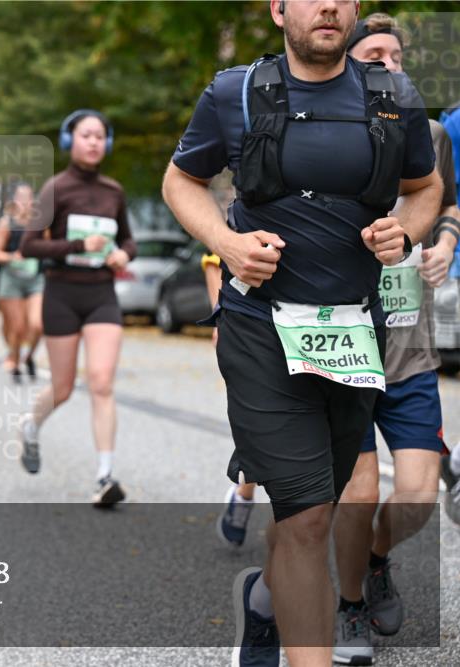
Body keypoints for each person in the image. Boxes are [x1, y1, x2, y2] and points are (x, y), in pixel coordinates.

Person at [161, 1, 442, 665]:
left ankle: (263, 602)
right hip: (260, 328)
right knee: (309, 514)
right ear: (278, 9)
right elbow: (180, 180)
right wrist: (227, 243)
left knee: (311, 515)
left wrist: (406, 231)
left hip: (354, 333)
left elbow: (424, 187)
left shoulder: (393, 97)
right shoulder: (234, 92)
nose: (329, 6)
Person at [330, 14, 460, 664]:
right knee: (358, 494)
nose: (389, 63)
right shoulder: (322, 132)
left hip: (410, 348)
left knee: (415, 494)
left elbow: (449, 203)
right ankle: (349, 603)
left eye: (397, 54)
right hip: (343, 348)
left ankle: (377, 558)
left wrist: (446, 242)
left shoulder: (429, 134)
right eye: (373, 54)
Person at [18, 109, 136, 508]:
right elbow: (29, 245)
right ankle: (31, 424)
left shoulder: (113, 191)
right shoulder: (55, 188)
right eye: (86, 135)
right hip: (62, 294)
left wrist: (123, 254)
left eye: (100, 136)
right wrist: (76, 246)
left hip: (101, 294)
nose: (93, 142)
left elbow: (129, 240)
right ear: (70, 141)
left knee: (101, 382)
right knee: (64, 387)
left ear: (108, 143)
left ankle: (105, 476)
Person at [204, 250, 261, 548]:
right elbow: (213, 259)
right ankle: (244, 494)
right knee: (261, 416)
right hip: (255, 322)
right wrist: (220, 311)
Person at [0, 183, 44, 382]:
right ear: (14, 200)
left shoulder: (40, 223)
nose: (25, 202)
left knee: (37, 324)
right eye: (21, 197)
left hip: (35, 278)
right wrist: (13, 257)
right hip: (12, 278)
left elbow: (48, 246)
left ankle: (29, 357)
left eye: (28, 197)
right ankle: (14, 359)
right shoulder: (6, 223)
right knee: (18, 327)